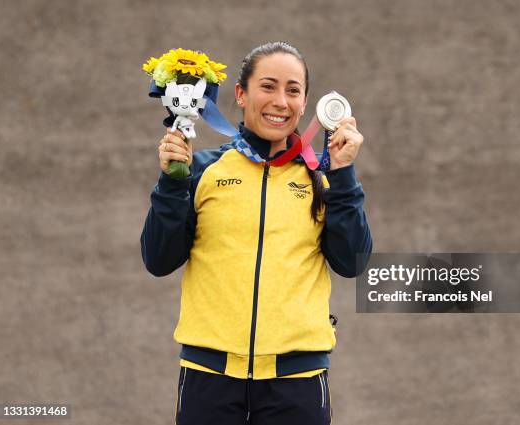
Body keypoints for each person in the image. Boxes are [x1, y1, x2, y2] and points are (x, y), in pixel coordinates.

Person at [141, 41, 372, 425]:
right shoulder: (200, 170)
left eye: (293, 90)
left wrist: (344, 175)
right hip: (209, 379)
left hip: (296, 384)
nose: (280, 101)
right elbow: (158, 259)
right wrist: (170, 184)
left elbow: (353, 263)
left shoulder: (323, 177)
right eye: (268, 86)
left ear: (305, 103)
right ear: (241, 95)